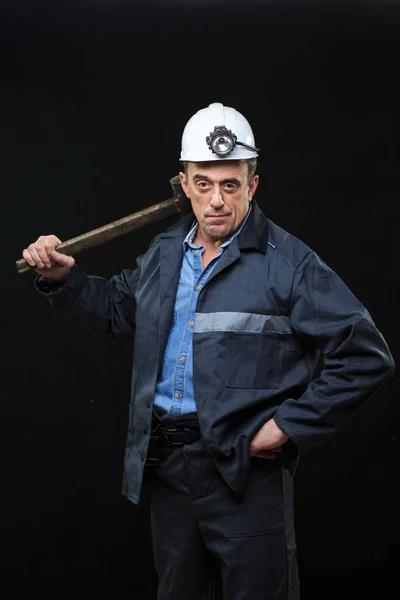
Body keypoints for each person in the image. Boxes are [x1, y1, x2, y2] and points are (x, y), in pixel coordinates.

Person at [22, 102, 395, 600]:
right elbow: (116, 311)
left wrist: (289, 425)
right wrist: (62, 280)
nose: (216, 200)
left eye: (230, 184)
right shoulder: (165, 253)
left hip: (245, 470)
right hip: (170, 469)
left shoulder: (290, 265)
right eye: (204, 184)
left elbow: (366, 355)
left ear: (252, 185)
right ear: (184, 183)